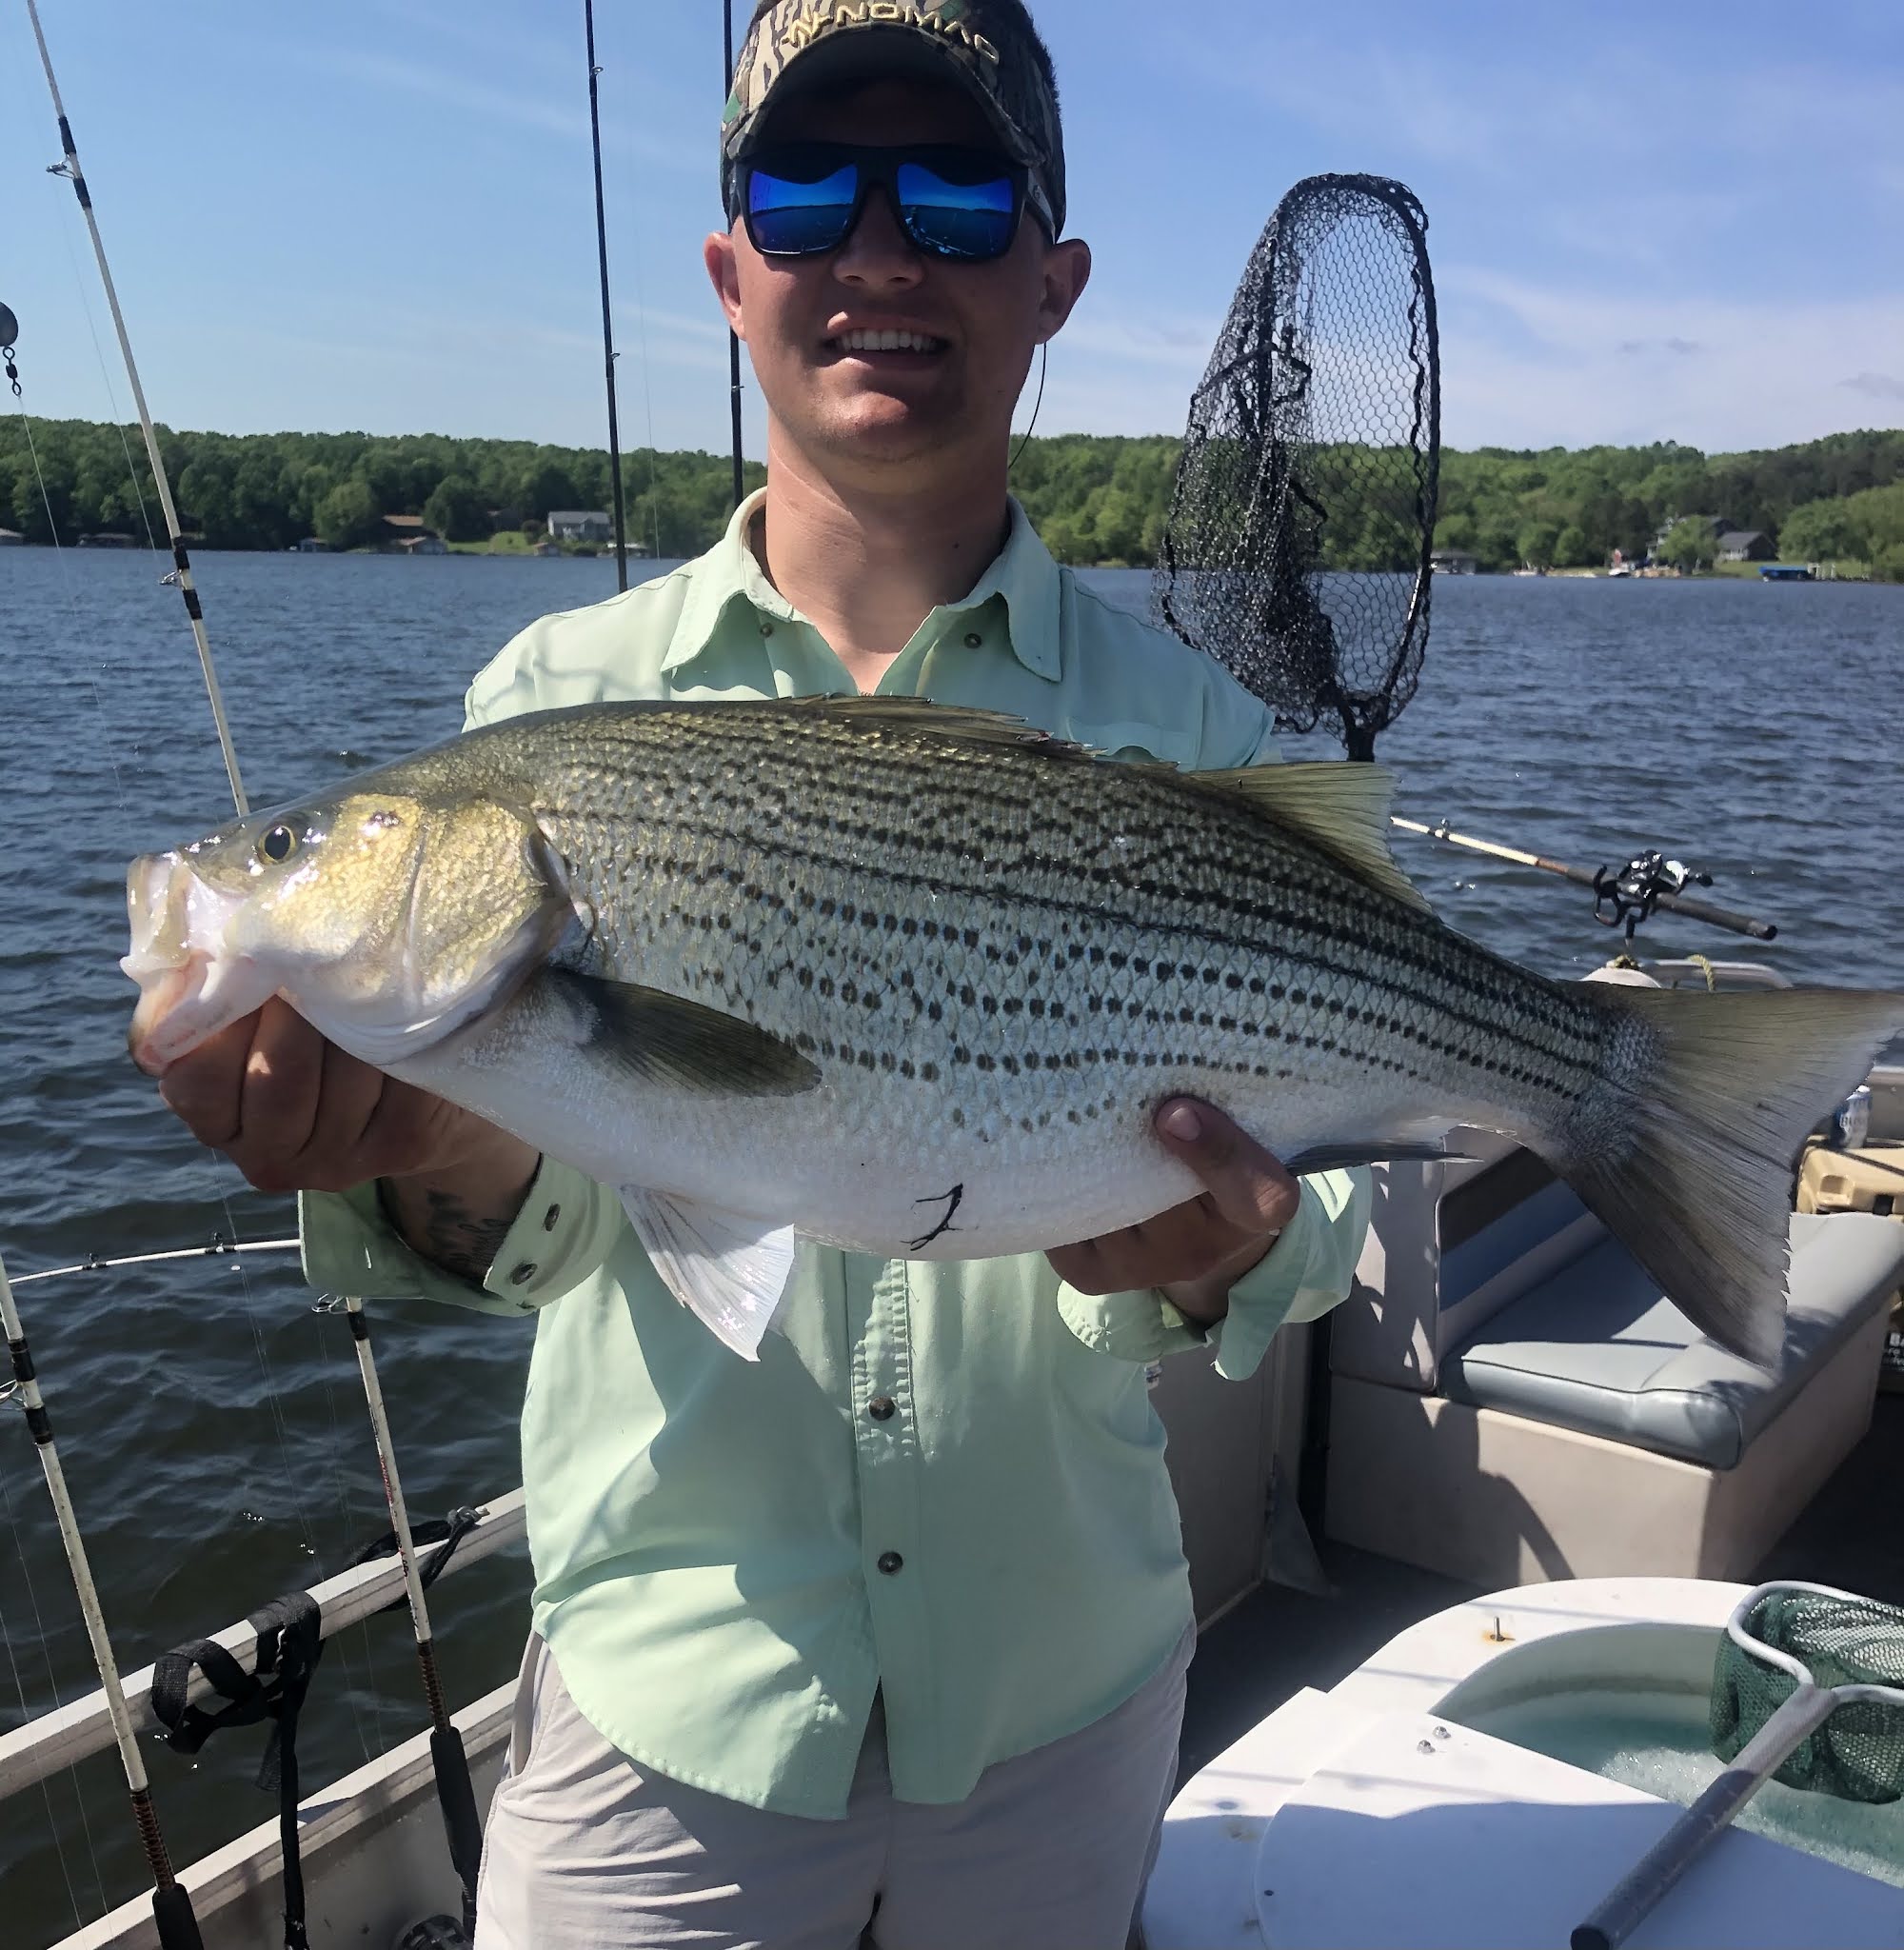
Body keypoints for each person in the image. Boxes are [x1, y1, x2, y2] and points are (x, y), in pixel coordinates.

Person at [149, 4, 1371, 1943]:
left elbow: (1348, 1203)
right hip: (669, 1714)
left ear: (1050, 283)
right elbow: (546, 1234)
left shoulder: (1204, 736)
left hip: (1064, 1696)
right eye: (809, 192)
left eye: (956, 194)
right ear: (731, 273)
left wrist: (1246, 1249)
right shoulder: (545, 707)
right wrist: (430, 1156)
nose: (879, 254)